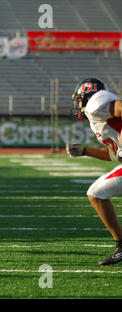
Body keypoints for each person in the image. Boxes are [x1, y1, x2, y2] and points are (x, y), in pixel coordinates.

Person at [66, 78, 122, 266]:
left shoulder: (96, 104)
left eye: (79, 99)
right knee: (96, 193)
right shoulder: (98, 117)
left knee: (96, 193)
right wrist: (85, 151)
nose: (78, 105)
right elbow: (113, 155)